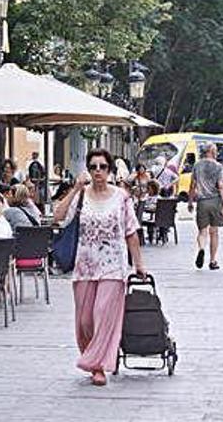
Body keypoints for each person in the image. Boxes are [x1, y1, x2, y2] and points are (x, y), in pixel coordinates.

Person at [53, 148, 146, 387]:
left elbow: (131, 232)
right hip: (84, 266)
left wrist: (138, 264)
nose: (97, 171)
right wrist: (74, 188)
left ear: (110, 170)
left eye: (102, 167)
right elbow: (58, 217)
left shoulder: (121, 197)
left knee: (103, 314)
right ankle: (95, 356)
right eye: (93, 167)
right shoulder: (81, 195)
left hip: (113, 266)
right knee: (84, 321)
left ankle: (98, 366)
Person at [188, 142, 223, 270]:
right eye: (215, 150)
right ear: (210, 151)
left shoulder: (197, 165)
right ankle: (213, 261)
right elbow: (221, 186)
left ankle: (201, 248)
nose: (217, 153)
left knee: (202, 231)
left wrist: (190, 201)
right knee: (214, 231)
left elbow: (192, 185)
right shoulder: (218, 166)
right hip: (215, 201)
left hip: (202, 202)